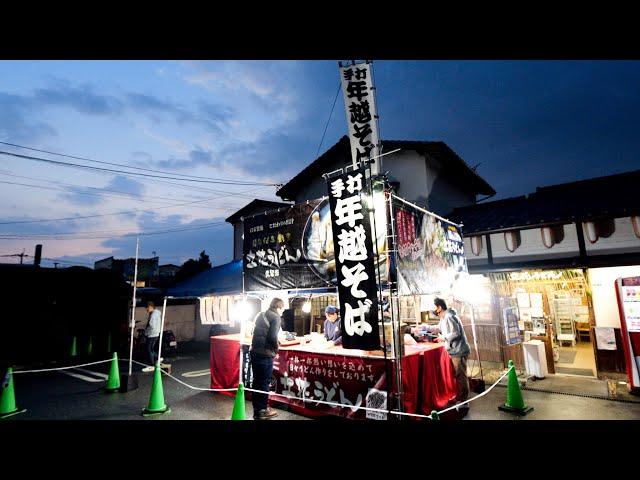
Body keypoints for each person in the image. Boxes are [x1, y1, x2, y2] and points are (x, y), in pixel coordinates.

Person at [420, 298, 471, 414]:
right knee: (458, 375)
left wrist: (443, 337)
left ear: (439, 307)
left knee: (461, 375)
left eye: (434, 307)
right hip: (455, 350)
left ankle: (463, 402)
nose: (434, 311)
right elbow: (438, 328)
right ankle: (460, 397)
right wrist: (425, 327)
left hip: (459, 351)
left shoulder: (449, 317)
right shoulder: (444, 317)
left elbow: (455, 333)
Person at [250, 297, 285, 420]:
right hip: (265, 353)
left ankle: (257, 409)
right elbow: (272, 337)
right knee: (264, 382)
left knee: (257, 381)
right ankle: (262, 410)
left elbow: (256, 332)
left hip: (255, 351)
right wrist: (277, 348)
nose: (282, 312)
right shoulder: (275, 317)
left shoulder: (262, 314)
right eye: (282, 309)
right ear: (279, 307)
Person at [142, 301, 162, 373]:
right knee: (151, 348)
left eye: (147, 308)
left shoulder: (153, 315)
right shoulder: (157, 313)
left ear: (150, 306)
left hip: (152, 334)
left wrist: (146, 332)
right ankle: (158, 358)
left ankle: (152, 365)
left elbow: (151, 325)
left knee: (148, 349)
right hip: (156, 333)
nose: (146, 310)